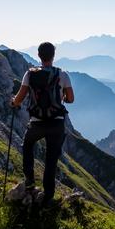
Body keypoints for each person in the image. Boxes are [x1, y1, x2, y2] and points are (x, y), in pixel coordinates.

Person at [11, 42, 74, 205]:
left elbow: (20, 97)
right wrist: (62, 97)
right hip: (56, 123)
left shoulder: (29, 74)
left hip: (37, 123)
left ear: (39, 56)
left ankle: (30, 181)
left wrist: (14, 103)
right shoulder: (62, 74)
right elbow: (71, 99)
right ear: (53, 55)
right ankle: (48, 196)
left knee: (27, 145)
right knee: (51, 159)